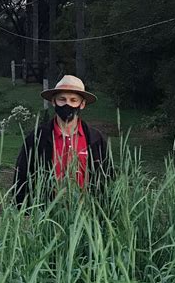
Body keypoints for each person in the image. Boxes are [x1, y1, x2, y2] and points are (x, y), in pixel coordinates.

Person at [14, 75, 112, 207]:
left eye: (73, 100)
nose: (67, 104)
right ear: (53, 102)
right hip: (47, 212)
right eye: (62, 99)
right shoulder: (38, 137)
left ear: (82, 104)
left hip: (86, 212)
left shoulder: (95, 139)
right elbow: (22, 176)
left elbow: (107, 177)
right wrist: (22, 210)